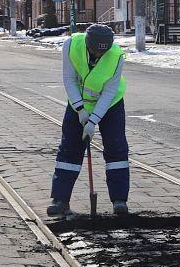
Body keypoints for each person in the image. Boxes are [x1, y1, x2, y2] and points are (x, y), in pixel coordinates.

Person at [49, 24, 130, 217]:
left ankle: (119, 200)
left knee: (116, 148)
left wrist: (93, 121)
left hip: (110, 104)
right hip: (79, 103)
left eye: (103, 52)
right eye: (95, 52)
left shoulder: (116, 56)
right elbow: (69, 79)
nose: (99, 56)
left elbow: (110, 91)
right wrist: (80, 110)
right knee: (69, 148)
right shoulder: (71, 46)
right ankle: (60, 199)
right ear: (87, 45)